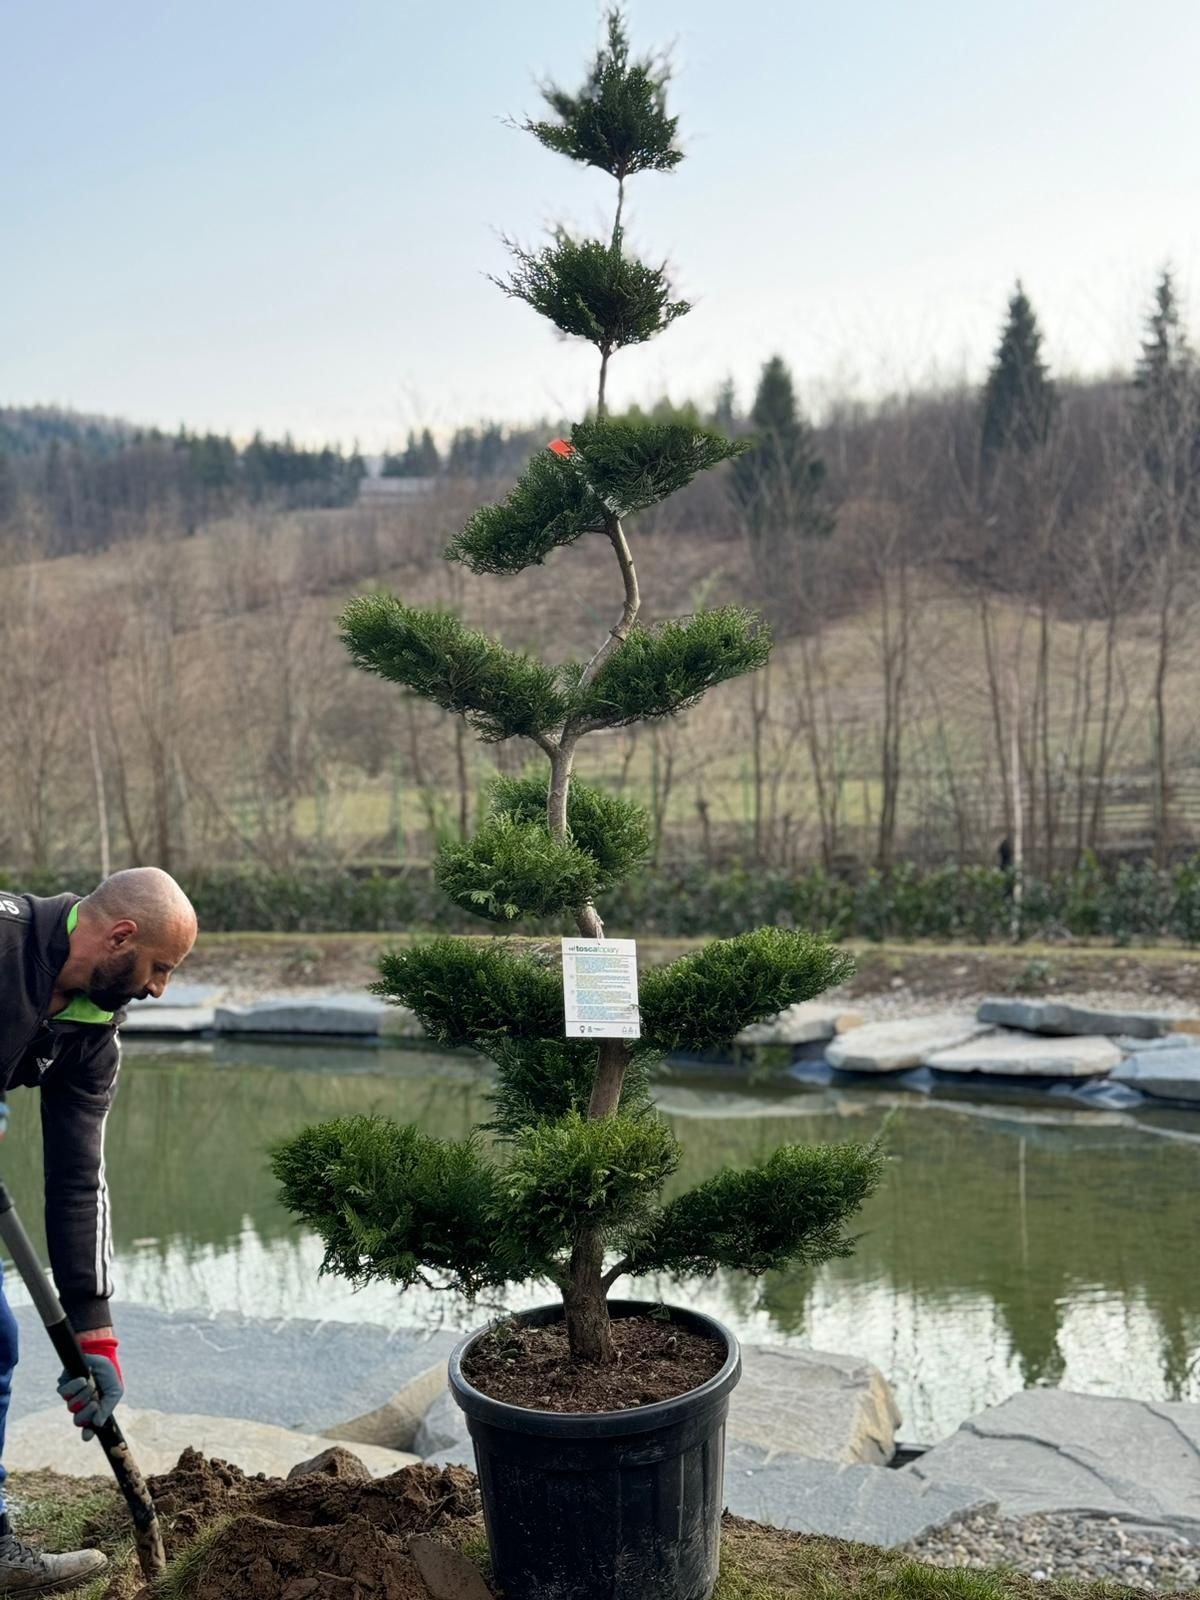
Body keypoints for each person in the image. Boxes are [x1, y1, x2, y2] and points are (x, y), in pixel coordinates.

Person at [0, 869, 196, 1593]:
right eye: (159, 968)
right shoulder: (5, 937)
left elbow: (80, 1182)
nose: (158, 990)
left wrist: (95, 1334)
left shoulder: (91, 1033)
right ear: (120, 937)